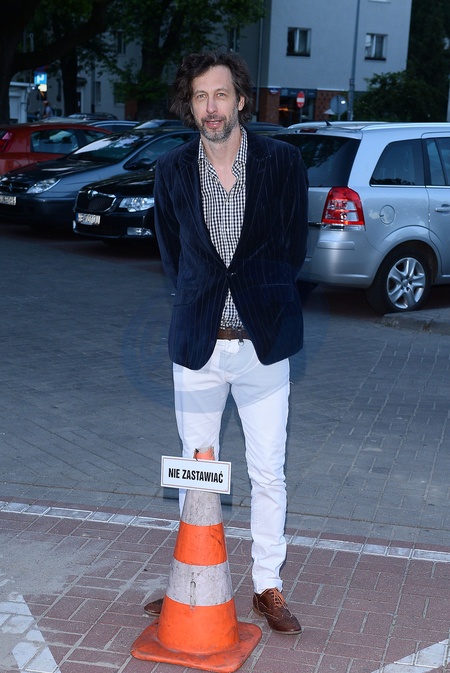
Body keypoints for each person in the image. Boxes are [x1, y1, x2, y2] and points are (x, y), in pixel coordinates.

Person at [145, 50, 309, 635]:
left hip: (263, 345)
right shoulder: (170, 170)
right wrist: (201, 299)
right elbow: (172, 254)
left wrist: (261, 295)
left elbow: (294, 248)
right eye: (200, 97)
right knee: (197, 466)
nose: (211, 107)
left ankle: (267, 585)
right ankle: (193, 580)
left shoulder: (282, 162)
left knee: (268, 472)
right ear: (189, 107)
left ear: (240, 99)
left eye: (220, 94)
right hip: (199, 346)